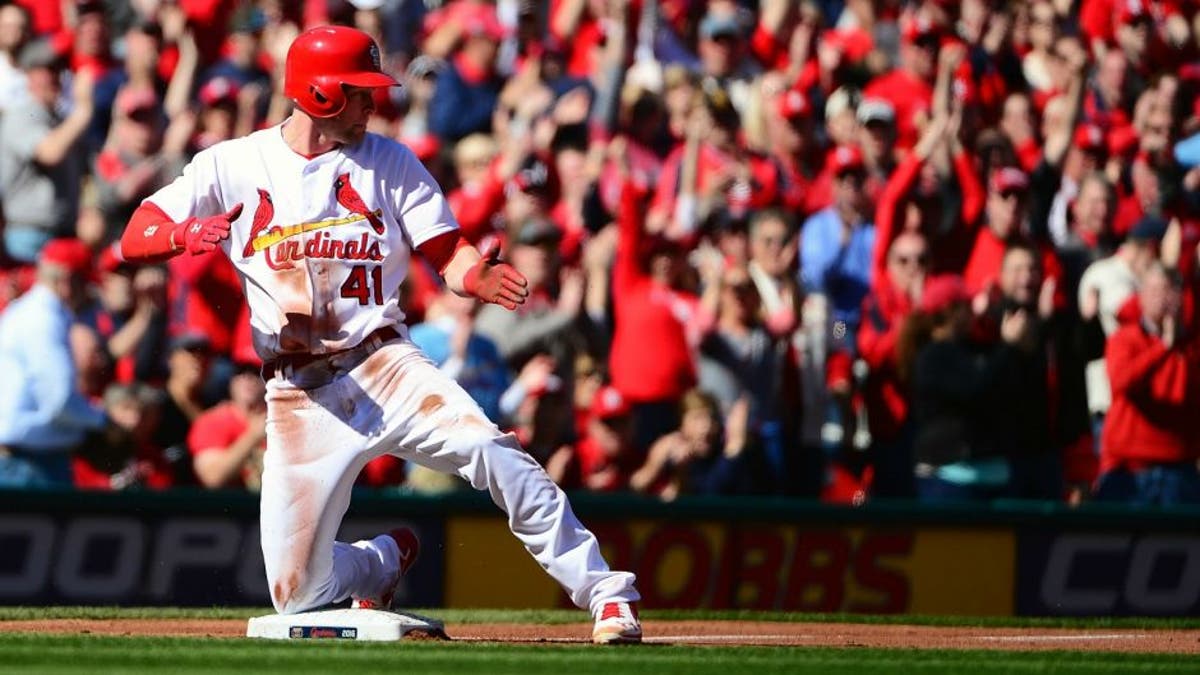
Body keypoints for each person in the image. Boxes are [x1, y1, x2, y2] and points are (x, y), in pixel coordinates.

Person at [118, 26, 640, 644]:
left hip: (382, 364)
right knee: (297, 600)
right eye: (360, 91)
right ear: (319, 94)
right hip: (298, 391)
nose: (373, 103)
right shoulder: (233, 164)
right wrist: (183, 236)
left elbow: (446, 250)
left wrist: (474, 274)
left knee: (492, 450)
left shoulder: (389, 161)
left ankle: (607, 594)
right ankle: (381, 560)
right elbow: (136, 233)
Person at [0, 238, 107, 486]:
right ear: (68, 281)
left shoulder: (25, 312)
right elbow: (59, 401)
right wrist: (102, 420)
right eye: (86, 284)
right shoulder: (43, 320)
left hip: (25, 461)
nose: (88, 296)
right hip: (27, 466)